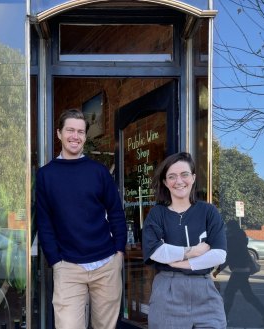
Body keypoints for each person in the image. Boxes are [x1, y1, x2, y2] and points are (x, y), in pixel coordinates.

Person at [35, 109, 127, 329]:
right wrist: (55, 261)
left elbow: (115, 211)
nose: (75, 136)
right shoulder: (46, 175)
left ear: (86, 136)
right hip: (68, 267)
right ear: (59, 133)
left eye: (80, 132)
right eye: (70, 130)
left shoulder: (98, 171)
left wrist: (119, 252)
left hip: (106, 264)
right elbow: (44, 221)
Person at [142, 152, 227, 328]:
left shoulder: (208, 211)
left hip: (205, 290)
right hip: (168, 290)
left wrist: (180, 263)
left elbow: (218, 255)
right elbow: (156, 251)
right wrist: (192, 252)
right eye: (172, 176)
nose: (179, 181)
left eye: (184, 174)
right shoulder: (157, 214)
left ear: (193, 177)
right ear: (165, 182)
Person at [213, 220, 264, 327]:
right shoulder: (241, 236)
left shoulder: (232, 239)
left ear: (230, 228)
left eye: (228, 227)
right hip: (244, 270)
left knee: (229, 295)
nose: (226, 229)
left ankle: (223, 319)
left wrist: (216, 271)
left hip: (238, 271)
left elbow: (229, 257)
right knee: (248, 296)